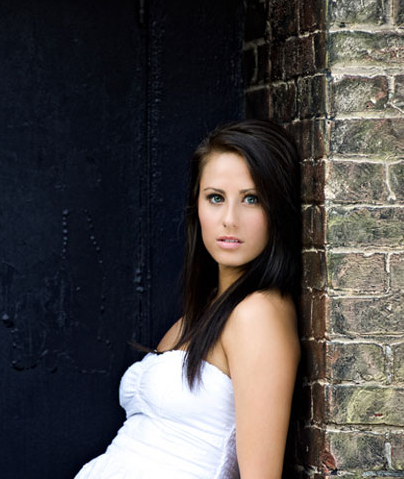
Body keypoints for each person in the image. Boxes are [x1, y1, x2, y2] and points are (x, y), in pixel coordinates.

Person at [75, 120, 302, 478]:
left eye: (252, 199)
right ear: (196, 204)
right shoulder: (208, 308)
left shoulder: (256, 315)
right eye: (215, 198)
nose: (229, 219)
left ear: (278, 209)